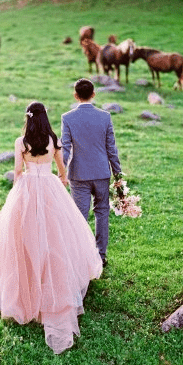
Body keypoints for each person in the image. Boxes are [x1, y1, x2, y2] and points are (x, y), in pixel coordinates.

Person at [0, 101, 103, 355]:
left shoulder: (21, 142)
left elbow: (18, 172)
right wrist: (60, 180)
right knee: (56, 238)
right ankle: (54, 283)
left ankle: (27, 288)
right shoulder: (53, 140)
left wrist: (16, 196)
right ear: (45, 119)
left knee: (23, 237)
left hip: (28, 189)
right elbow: (62, 171)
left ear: (28, 119)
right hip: (50, 188)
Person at [61, 78, 122, 267]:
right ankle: (100, 256)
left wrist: (61, 173)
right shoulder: (105, 117)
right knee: (102, 213)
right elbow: (111, 148)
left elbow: (65, 148)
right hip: (102, 173)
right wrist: (118, 174)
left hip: (78, 175)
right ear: (94, 94)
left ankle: (80, 257)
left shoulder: (67, 118)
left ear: (75, 95)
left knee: (80, 216)